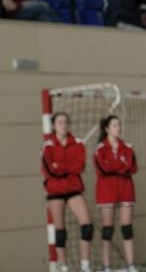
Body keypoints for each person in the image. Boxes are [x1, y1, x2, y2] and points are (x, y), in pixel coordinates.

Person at [41, 112, 94, 272]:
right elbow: (48, 170)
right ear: (53, 125)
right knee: (60, 231)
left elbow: (79, 167)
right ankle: (63, 266)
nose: (63, 125)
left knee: (87, 227)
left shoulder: (78, 144)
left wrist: (60, 166)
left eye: (66, 122)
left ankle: (85, 265)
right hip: (55, 190)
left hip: (73, 188)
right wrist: (67, 167)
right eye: (60, 122)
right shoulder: (48, 146)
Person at [94, 115, 138, 272]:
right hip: (106, 189)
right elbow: (104, 169)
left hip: (126, 188)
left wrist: (116, 167)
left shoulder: (128, 147)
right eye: (114, 125)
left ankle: (130, 265)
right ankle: (106, 266)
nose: (118, 128)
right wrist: (120, 166)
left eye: (119, 125)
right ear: (107, 129)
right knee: (108, 229)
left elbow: (132, 168)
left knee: (127, 228)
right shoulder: (100, 148)